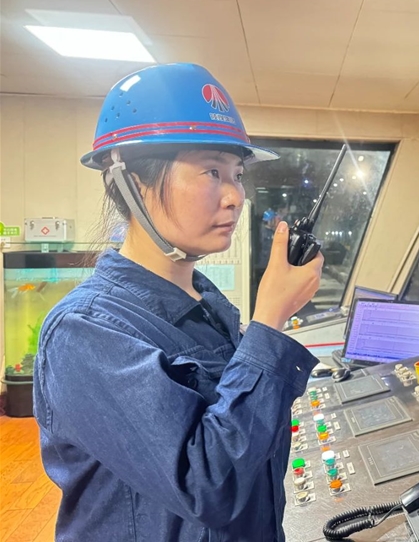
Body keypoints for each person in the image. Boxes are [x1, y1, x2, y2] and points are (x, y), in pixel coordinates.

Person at [32, 63, 324, 541]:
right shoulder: (84, 331)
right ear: (131, 182)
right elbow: (207, 487)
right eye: (212, 171)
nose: (235, 196)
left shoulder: (208, 303)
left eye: (237, 174)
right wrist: (270, 321)